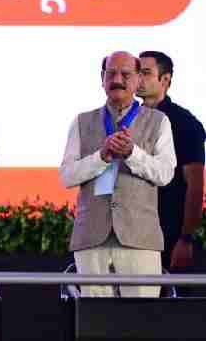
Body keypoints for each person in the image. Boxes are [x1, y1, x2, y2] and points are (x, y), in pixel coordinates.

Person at [59, 51, 175, 298]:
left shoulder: (159, 121)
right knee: (94, 318)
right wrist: (101, 157)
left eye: (125, 74)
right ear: (102, 78)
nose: (117, 80)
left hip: (140, 238)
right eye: (111, 74)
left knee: (141, 317)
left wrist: (132, 153)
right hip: (91, 238)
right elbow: (67, 176)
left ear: (138, 79)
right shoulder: (81, 122)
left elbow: (165, 174)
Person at [137, 50, 205, 276]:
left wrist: (186, 239)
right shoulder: (127, 118)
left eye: (146, 72)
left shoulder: (185, 123)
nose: (138, 78)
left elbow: (195, 186)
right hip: (132, 233)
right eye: (137, 72)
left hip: (169, 232)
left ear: (165, 80)